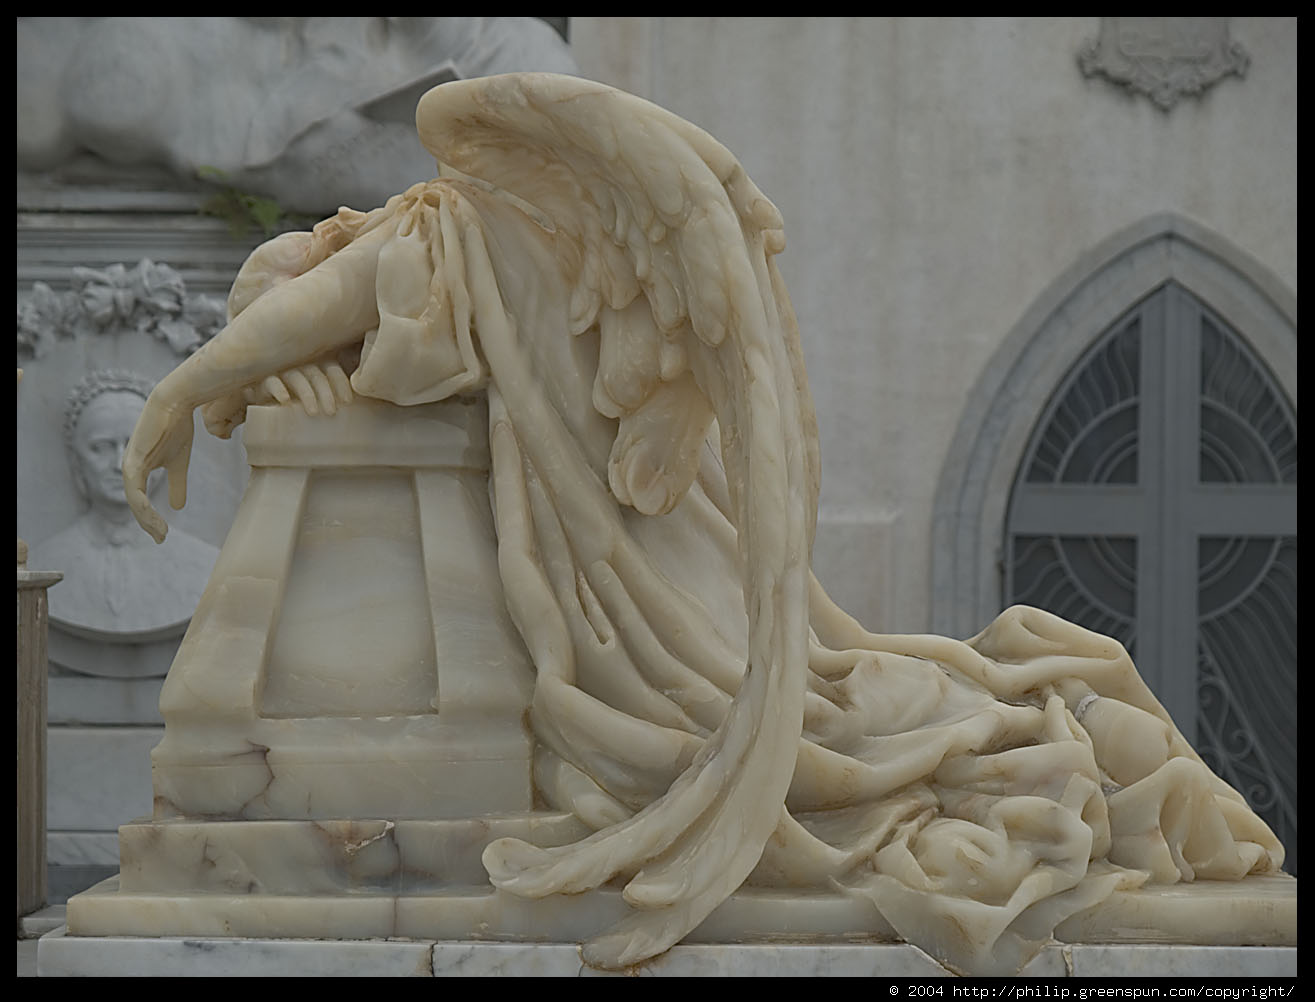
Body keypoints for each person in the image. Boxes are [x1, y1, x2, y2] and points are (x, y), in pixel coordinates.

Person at [120, 73, 1283, 976]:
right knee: (869, 711)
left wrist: (184, 388)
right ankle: (1080, 739)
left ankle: (1075, 741)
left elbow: (317, 305)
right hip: (656, 587)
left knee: (843, 727)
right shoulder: (489, 242)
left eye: (280, 291)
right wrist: (248, 375)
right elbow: (315, 327)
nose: (297, 327)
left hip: (653, 600)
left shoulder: (444, 223)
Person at [31, 370, 217, 640]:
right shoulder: (43, 563)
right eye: (101, 447)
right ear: (76, 460)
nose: (120, 464)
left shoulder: (204, 566)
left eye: (137, 445)